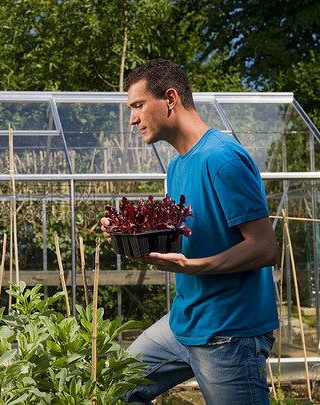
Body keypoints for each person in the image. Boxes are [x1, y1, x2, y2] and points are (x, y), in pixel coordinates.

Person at [100, 59, 279, 404]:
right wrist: (127, 231)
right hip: (184, 320)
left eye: (138, 106)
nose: (132, 119)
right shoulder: (177, 165)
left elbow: (265, 247)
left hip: (229, 332)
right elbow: (182, 234)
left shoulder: (221, 158)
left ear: (170, 99)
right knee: (115, 385)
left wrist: (195, 267)